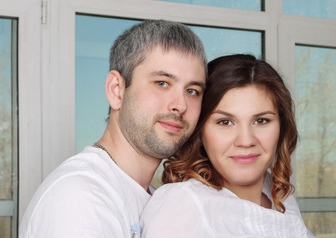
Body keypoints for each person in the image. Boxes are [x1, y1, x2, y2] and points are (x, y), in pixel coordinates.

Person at [19, 19, 207, 238]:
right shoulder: (79, 199)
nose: (181, 105)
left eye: (192, 91)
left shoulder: (152, 200)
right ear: (117, 90)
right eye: (162, 83)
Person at [140, 54, 314, 237]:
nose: (246, 141)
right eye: (225, 122)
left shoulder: (281, 198)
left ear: (282, 127)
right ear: (199, 131)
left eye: (261, 120)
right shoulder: (182, 205)